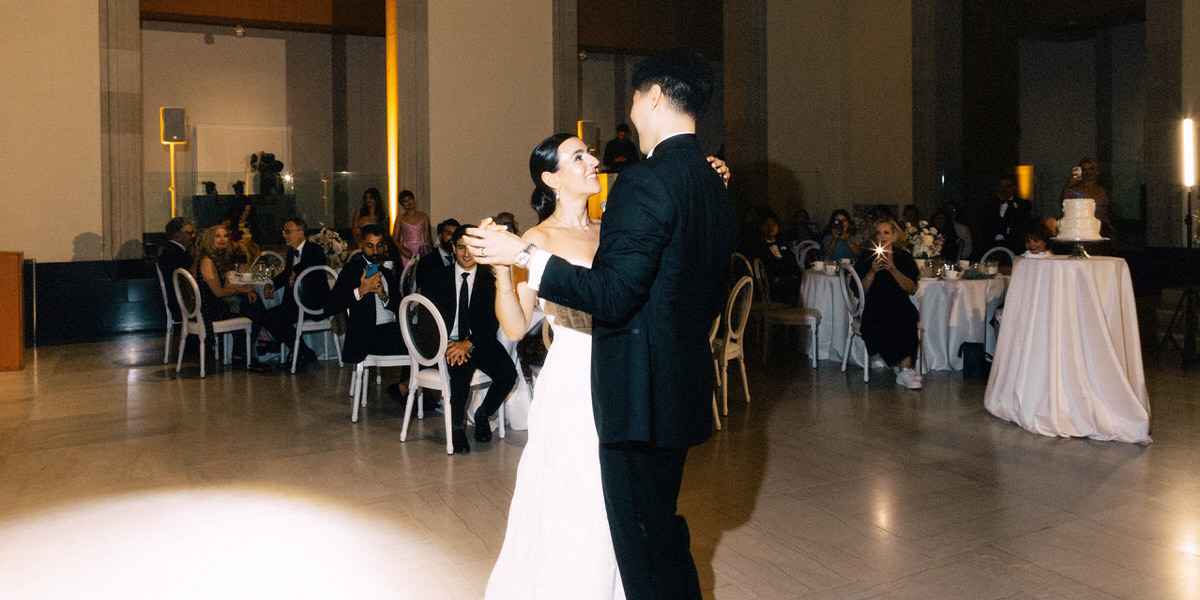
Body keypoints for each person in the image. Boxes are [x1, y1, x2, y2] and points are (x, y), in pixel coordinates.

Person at [468, 47, 737, 600]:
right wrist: (508, 264)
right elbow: (518, 327)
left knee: (642, 536)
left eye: (635, 99)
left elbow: (617, 292)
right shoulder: (706, 184)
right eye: (578, 157)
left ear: (654, 97)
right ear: (551, 178)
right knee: (626, 523)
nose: (593, 160)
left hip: (631, 385)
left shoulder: (636, 194)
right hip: (614, 381)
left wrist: (523, 257)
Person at [415, 226, 517, 454]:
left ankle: (483, 414)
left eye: (472, 248)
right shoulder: (437, 277)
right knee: (460, 369)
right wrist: (446, 345)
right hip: (447, 343)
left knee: (508, 374)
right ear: (453, 248)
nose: (467, 254)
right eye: (461, 248)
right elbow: (426, 321)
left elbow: (493, 322)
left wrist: (468, 343)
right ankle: (457, 427)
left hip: (478, 341)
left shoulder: (489, 280)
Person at [325, 224, 408, 394]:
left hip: (389, 331)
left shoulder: (385, 271)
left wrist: (384, 296)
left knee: (422, 339)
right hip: (366, 335)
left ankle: (405, 387)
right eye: (370, 246)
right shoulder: (351, 271)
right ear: (361, 245)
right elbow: (330, 306)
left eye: (379, 245)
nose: (375, 251)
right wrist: (361, 290)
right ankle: (405, 389)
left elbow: (400, 306)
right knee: (416, 343)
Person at [854, 217, 922, 389]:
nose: (882, 237)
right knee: (887, 316)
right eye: (878, 233)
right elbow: (858, 291)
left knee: (906, 314)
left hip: (899, 304)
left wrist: (892, 269)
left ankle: (905, 369)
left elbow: (912, 288)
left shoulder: (903, 257)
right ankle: (903, 368)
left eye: (886, 232)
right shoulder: (866, 257)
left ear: (893, 235)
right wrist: (872, 271)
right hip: (873, 305)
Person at [190, 226, 267, 370]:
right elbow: (219, 292)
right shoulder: (207, 261)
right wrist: (241, 290)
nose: (222, 239)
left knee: (251, 300)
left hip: (214, 305)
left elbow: (227, 285)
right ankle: (250, 349)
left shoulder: (217, 259)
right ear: (209, 240)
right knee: (251, 306)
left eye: (225, 236)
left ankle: (242, 351)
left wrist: (245, 291)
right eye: (217, 236)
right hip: (209, 310)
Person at [261, 217, 327, 367]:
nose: (284, 235)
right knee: (269, 316)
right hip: (295, 304)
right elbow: (286, 274)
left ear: (300, 233)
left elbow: (317, 261)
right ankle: (303, 351)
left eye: (287, 231)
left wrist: (296, 270)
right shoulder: (292, 252)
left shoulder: (314, 249)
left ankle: (298, 352)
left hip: (313, 303)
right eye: (284, 232)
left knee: (276, 318)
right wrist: (270, 283)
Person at [748, 212, 801, 304]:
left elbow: (792, 261)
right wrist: (779, 280)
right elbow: (761, 269)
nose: (771, 227)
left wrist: (794, 276)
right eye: (766, 224)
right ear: (760, 227)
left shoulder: (782, 243)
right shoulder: (757, 246)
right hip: (771, 284)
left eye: (773, 224)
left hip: (788, 280)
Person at [1061, 156, 1114, 237]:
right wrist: (1067, 185)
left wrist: (1109, 228)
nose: (1088, 172)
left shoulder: (1102, 190)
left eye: (1091, 169)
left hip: (1101, 228)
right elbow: (1063, 204)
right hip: (1079, 228)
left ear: (1096, 171)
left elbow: (1104, 212)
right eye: (1084, 169)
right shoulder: (1073, 189)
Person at [981, 175, 1031, 256]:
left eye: (1008, 186)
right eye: (1001, 186)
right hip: (992, 246)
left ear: (1014, 187)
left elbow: (1023, 226)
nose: (1005, 190)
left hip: (1014, 246)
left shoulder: (1023, 205)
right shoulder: (989, 204)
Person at [159, 217, 195, 320]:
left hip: (177, 302)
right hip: (183, 304)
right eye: (189, 233)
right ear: (177, 234)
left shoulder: (168, 251)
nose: (192, 236)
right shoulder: (177, 254)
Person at [392, 189, 432, 266]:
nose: (408, 202)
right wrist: (403, 251)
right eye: (405, 201)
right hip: (407, 250)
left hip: (422, 249)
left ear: (414, 200)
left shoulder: (424, 216)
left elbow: (427, 237)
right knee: (408, 275)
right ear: (402, 205)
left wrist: (430, 252)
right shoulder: (400, 218)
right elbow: (394, 238)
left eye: (410, 199)